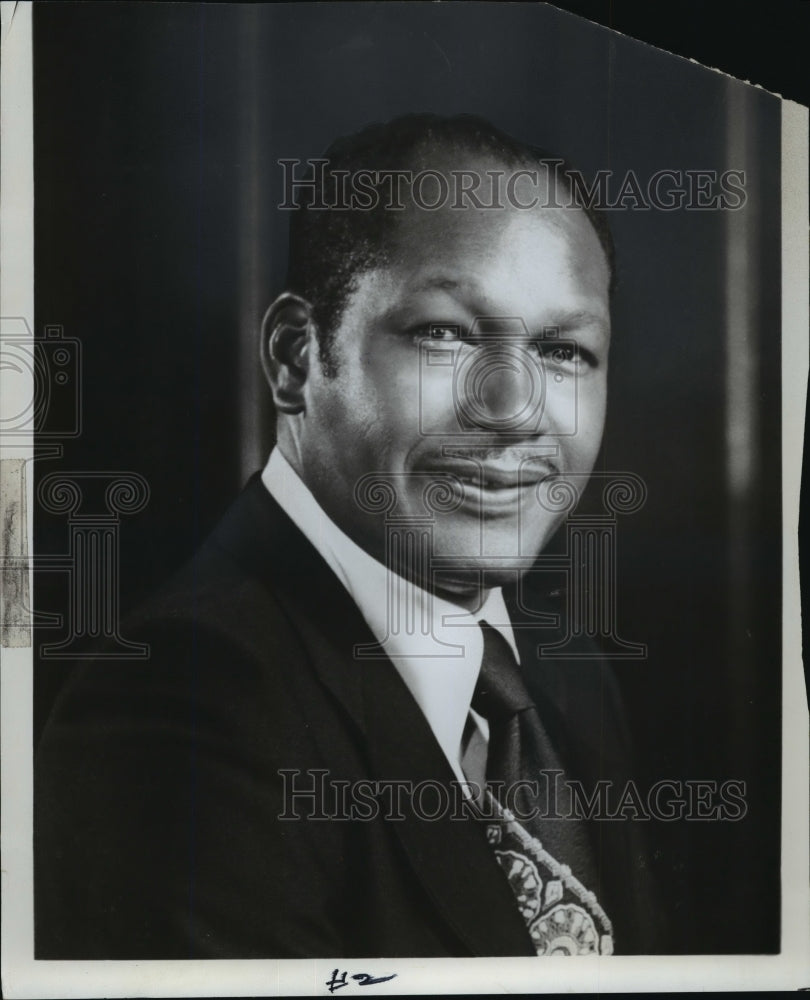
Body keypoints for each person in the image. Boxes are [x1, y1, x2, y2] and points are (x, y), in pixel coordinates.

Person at [35, 113, 660, 959]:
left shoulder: (570, 675)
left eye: (562, 352)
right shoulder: (174, 718)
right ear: (297, 356)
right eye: (444, 333)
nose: (515, 409)